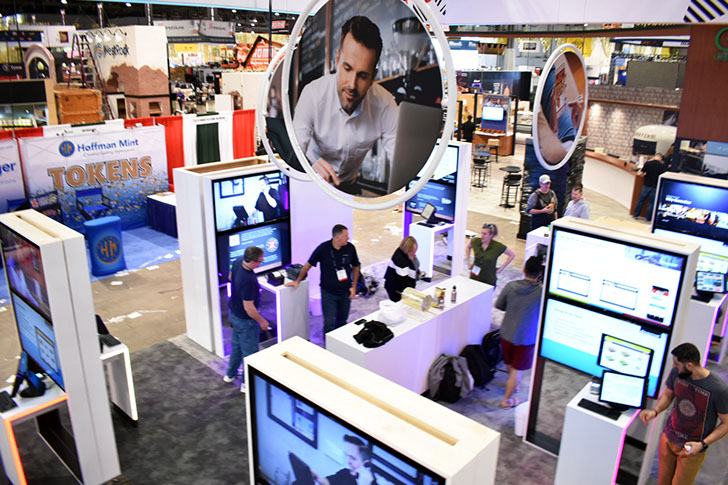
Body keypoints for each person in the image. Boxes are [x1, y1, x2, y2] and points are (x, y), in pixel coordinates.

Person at [293, 16, 398, 195]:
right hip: (312, 183)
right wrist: (309, 162)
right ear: (337, 60)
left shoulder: (385, 104)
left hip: (350, 189)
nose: (352, 85)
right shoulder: (312, 94)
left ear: (373, 77)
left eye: (363, 76)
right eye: (347, 68)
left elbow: (398, 161)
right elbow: (294, 151)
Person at [639, 343, 728, 485]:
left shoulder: (718, 389)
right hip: (668, 438)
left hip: (692, 448)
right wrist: (655, 411)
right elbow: (668, 395)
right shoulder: (677, 373)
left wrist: (702, 444)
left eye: (677, 363)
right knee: (662, 481)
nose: (674, 366)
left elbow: (726, 424)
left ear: (690, 365)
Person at [287, 224, 360, 334]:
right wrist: (297, 281)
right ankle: (328, 343)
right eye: (346, 236)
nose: (348, 238)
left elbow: (356, 266)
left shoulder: (350, 248)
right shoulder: (323, 248)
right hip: (328, 293)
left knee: (342, 321)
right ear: (337, 237)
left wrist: (354, 287)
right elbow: (308, 265)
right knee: (329, 322)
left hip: (345, 292)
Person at [494, 256, 543, 409]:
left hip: (507, 332)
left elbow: (499, 305)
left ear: (524, 269)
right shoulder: (541, 293)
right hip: (526, 338)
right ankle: (506, 400)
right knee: (517, 370)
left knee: (509, 364)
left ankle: (513, 384)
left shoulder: (510, 286)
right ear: (540, 273)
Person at [223, 246, 270, 392]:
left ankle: (230, 374)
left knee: (236, 346)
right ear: (254, 262)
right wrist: (262, 321)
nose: (261, 263)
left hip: (234, 314)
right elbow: (249, 308)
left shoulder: (237, 261)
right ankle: (247, 383)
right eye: (261, 261)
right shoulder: (249, 280)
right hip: (246, 320)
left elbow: (230, 277)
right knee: (250, 352)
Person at [313, 435, 378, 485]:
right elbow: (329, 482)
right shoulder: (346, 473)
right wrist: (317, 478)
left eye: (353, 458)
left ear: (366, 463)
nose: (348, 461)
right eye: (347, 455)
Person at [466, 223, 515, 287]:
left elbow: (512, 255)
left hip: (488, 280)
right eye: (482, 233)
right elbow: (468, 247)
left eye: (485, 234)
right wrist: (468, 261)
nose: (482, 235)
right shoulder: (476, 241)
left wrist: (501, 268)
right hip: (474, 278)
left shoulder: (497, 246)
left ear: (491, 235)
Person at [383, 236, 419, 302]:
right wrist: (411, 293)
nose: (415, 252)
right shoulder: (400, 260)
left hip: (404, 284)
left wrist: (417, 272)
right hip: (396, 289)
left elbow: (413, 266)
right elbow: (404, 281)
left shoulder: (407, 253)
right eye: (413, 251)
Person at [633, 153, 666, 221]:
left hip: (647, 184)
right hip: (655, 186)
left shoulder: (648, 163)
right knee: (651, 203)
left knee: (641, 200)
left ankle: (636, 215)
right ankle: (647, 218)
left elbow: (642, 173)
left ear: (654, 157)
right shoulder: (662, 166)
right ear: (660, 158)